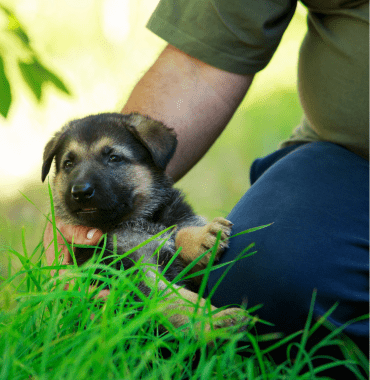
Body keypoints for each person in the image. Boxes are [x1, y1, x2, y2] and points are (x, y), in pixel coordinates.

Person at [44, 0, 369, 364]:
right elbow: (197, 61)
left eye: (112, 158)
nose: (83, 183)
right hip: (347, 161)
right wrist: (65, 236)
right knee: (251, 272)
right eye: (69, 164)